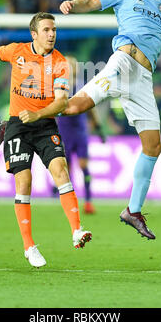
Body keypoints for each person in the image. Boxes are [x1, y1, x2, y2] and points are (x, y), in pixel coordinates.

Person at [59, 0, 161, 240]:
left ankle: (133, 211)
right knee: (75, 107)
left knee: (153, 146)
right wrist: (73, 4)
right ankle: (24, 115)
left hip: (143, 80)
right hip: (122, 63)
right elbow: (93, 2)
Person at [0, 12, 92, 268]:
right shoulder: (16, 51)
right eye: (47, 30)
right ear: (34, 34)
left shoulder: (60, 62)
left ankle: (76, 230)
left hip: (44, 122)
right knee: (24, 180)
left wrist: (38, 113)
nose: (52, 34)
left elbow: (61, 102)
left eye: (54, 30)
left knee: (61, 170)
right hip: (18, 124)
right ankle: (29, 246)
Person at [55, 55, 106, 214]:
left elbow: (91, 109)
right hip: (64, 132)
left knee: (83, 166)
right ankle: (69, 203)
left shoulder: (82, 88)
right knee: (66, 170)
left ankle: (88, 201)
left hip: (79, 132)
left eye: (71, 66)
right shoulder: (57, 87)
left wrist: (98, 129)